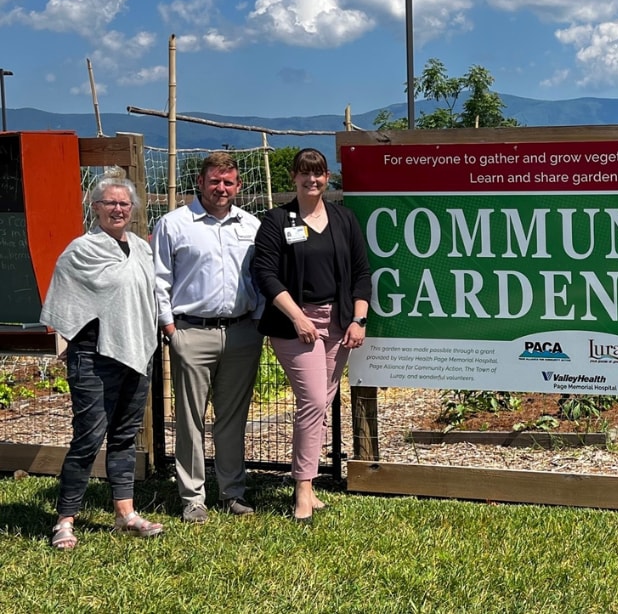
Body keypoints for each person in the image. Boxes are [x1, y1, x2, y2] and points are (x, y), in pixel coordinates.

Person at [39, 175, 164, 549]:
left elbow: (147, 297)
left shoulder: (142, 249)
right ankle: (65, 520)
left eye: (124, 204)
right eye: (109, 203)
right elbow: (67, 303)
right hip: (94, 356)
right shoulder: (81, 251)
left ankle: (125, 513)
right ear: (94, 207)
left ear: (133, 210)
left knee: (125, 438)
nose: (118, 209)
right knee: (88, 439)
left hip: (137, 354)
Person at [252, 148, 371, 522]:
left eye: (318, 174)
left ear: (327, 178)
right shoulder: (276, 220)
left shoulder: (343, 219)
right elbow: (265, 273)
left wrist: (359, 320)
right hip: (295, 327)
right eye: (305, 174)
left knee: (319, 407)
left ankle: (309, 484)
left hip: (338, 325)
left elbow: (361, 273)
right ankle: (303, 488)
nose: (312, 180)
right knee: (314, 401)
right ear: (294, 178)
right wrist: (297, 317)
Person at [152, 152, 264, 524]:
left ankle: (232, 492)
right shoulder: (174, 224)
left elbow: (262, 278)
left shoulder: (251, 225)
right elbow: (160, 279)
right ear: (199, 182)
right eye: (214, 181)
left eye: (228, 182)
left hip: (241, 333)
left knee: (232, 418)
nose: (221, 188)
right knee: (189, 419)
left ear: (238, 185)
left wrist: (259, 319)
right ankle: (193, 498)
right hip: (190, 332)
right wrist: (170, 328)